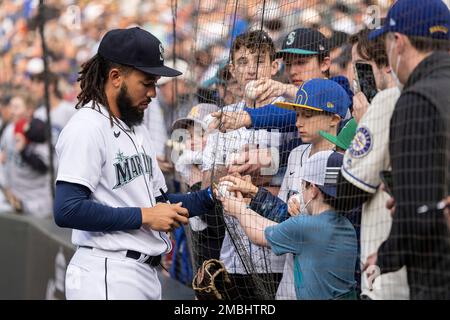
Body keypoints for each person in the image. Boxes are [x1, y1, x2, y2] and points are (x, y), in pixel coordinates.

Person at [53, 27, 216, 300]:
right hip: (106, 272)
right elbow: (67, 209)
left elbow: (161, 203)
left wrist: (213, 196)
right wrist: (145, 215)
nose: (153, 92)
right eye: (147, 82)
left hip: (140, 273)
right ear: (116, 77)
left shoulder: (134, 128)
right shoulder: (87, 127)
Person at [221, 78, 351, 299]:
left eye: (307, 115)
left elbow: (316, 228)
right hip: (290, 280)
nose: (299, 122)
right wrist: (253, 194)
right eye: (298, 114)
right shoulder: (296, 154)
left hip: (320, 283)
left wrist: (240, 209)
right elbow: (283, 217)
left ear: (334, 119)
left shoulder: (342, 162)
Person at [364, 0, 450, 299]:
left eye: (386, 42)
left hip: (438, 275)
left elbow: (417, 215)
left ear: (398, 42)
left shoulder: (416, 99)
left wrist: (384, 258)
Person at [201, 29, 286, 300]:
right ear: (232, 70)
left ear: (275, 66)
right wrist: (233, 171)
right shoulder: (222, 117)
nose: (251, 69)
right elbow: (205, 183)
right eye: (242, 61)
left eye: (259, 60)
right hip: (234, 256)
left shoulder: (294, 112)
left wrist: (261, 172)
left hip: (281, 257)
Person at [333, 27, 409, 300]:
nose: (357, 79)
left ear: (385, 64)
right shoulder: (420, 98)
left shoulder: (387, 101)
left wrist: (364, 124)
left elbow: (347, 192)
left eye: (362, 68)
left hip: (386, 271)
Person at [219, 150, 358, 300]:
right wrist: (244, 206)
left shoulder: (305, 226)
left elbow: (258, 236)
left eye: (303, 186)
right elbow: (275, 228)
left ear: (313, 190)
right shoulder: (346, 225)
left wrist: (239, 210)